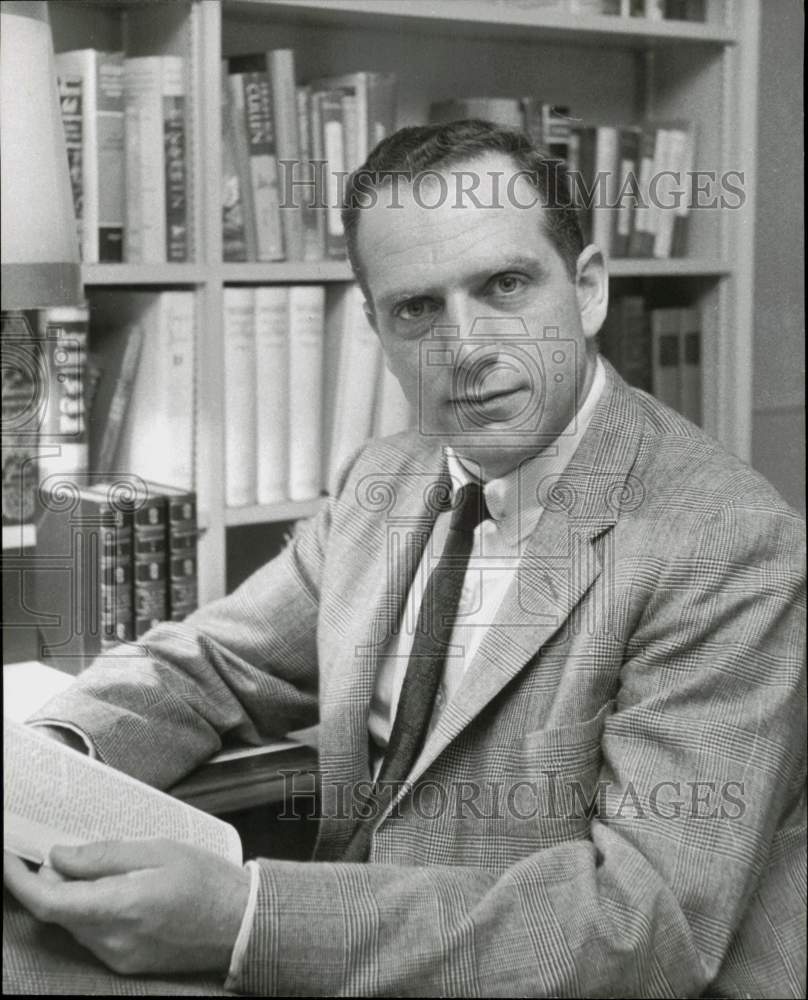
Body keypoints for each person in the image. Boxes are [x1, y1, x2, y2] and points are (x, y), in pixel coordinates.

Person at [4, 120, 805, 997]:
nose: (465, 349)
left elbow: (639, 928)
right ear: (380, 331)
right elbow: (221, 661)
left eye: (505, 285)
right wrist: (43, 766)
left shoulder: (729, 545)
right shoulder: (387, 477)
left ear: (587, 289)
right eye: (417, 309)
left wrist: (243, 917)